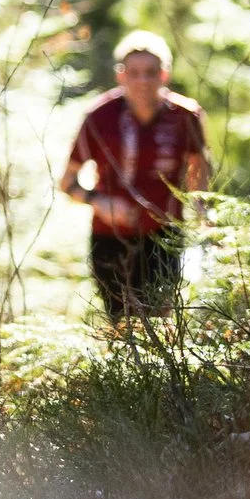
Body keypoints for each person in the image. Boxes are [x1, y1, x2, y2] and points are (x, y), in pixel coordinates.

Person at [60, 30, 210, 325]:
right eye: (134, 73)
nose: (143, 81)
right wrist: (100, 202)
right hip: (109, 237)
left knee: (163, 324)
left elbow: (200, 171)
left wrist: (205, 215)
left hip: (164, 237)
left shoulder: (185, 116)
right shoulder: (100, 116)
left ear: (164, 74)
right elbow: (67, 183)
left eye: (151, 72)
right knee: (122, 324)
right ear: (121, 75)